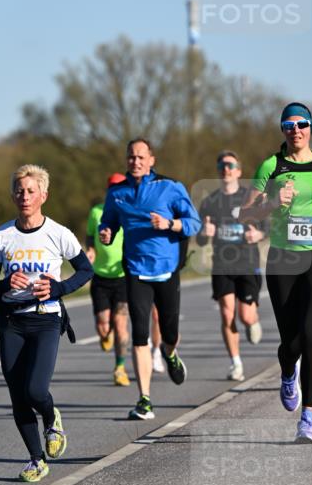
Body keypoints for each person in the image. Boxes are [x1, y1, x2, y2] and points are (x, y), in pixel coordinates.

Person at [240, 103, 312, 443]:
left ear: (311, 127)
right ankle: (288, 371)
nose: (296, 130)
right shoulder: (271, 166)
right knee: (291, 342)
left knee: (310, 332)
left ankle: (308, 419)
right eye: (289, 125)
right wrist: (273, 202)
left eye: (302, 124)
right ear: (283, 131)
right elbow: (246, 213)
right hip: (283, 260)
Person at [0, 164, 93, 482]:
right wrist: (6, 284)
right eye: (19, 190)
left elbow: (86, 271)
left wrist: (59, 288)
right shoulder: (1, 236)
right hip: (11, 322)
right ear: (12, 195)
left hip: (46, 319)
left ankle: (51, 416)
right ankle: (35, 459)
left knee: (35, 389)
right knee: (17, 394)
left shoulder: (58, 234)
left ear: (43, 195)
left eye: (31, 191)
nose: (24, 196)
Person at [99, 137, 202, 420]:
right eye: (131, 157)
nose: (136, 161)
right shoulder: (117, 194)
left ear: (151, 160)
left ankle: (170, 354)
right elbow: (108, 222)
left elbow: (194, 222)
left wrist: (170, 223)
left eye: (141, 157)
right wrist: (106, 233)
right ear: (126, 159)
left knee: (169, 332)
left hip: (167, 269)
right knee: (140, 334)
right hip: (135, 270)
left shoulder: (170, 187)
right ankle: (144, 399)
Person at [196, 150, 265, 382]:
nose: (225, 169)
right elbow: (200, 238)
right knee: (227, 314)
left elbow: (265, 227)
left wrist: (258, 234)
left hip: (247, 263)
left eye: (230, 165)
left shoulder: (251, 198)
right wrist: (205, 233)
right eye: (221, 166)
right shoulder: (210, 202)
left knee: (245, 316)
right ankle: (236, 363)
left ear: (239, 171)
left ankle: (253, 320)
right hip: (222, 265)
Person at [86, 173, 130, 386]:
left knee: (121, 325)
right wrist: (91, 250)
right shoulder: (96, 212)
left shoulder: (129, 210)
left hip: (122, 277)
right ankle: (105, 335)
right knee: (104, 325)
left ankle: (120, 368)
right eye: (112, 187)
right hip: (100, 277)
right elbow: (88, 236)